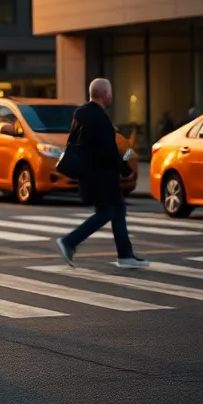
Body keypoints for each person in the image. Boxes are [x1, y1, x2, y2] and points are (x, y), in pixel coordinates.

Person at [55, 78, 147, 269]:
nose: (111, 96)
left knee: (117, 210)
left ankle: (125, 255)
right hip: (102, 176)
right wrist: (126, 170)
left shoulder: (80, 114)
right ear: (106, 95)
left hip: (89, 175)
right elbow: (109, 151)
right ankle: (70, 241)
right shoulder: (101, 119)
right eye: (110, 93)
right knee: (106, 213)